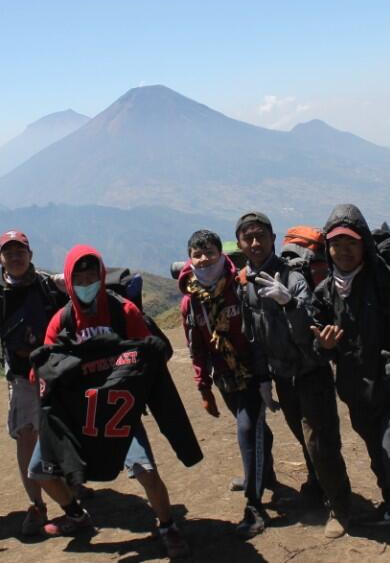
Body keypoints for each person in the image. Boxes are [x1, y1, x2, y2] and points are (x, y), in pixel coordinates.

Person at [28, 245, 192, 558]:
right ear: (70, 280)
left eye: (92, 274)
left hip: (120, 411)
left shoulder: (124, 311)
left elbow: (150, 357)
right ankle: (76, 515)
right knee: (40, 470)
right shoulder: (61, 322)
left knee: (144, 469)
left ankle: (168, 525)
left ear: (102, 276)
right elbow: (42, 374)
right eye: (80, 276)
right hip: (77, 414)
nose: (87, 281)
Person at [312, 204, 390, 563]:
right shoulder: (324, 293)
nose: (343, 251)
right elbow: (319, 346)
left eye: (350, 242)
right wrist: (325, 345)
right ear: (327, 249)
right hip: (354, 391)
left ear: (363, 243)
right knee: (377, 454)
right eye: (336, 244)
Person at [234, 211, 353, 539]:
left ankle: (341, 507)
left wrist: (290, 305)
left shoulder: (294, 277)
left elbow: (309, 331)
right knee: (304, 437)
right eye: (248, 237)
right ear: (241, 244)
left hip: (311, 371)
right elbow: (253, 337)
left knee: (320, 442)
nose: (255, 243)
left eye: (261, 236)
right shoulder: (245, 284)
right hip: (282, 376)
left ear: (273, 239)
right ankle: (318, 485)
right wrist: (263, 378)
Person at [0, 229, 67, 536]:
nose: (15, 257)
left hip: (56, 371)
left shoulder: (50, 285)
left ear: (30, 255)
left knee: (62, 430)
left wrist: (70, 284)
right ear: (0, 259)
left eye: (20, 251)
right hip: (22, 376)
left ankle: (69, 487)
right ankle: (37, 504)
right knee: (26, 436)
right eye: (9, 253)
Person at [178, 229, 275, 538]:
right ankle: (263, 474)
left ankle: (254, 505)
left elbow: (259, 332)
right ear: (189, 258)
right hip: (224, 376)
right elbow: (197, 347)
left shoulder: (240, 285)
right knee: (256, 430)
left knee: (247, 429)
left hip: (253, 372)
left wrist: (264, 377)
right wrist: (203, 386)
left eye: (210, 253)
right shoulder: (191, 301)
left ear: (221, 254)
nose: (204, 259)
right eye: (197, 254)